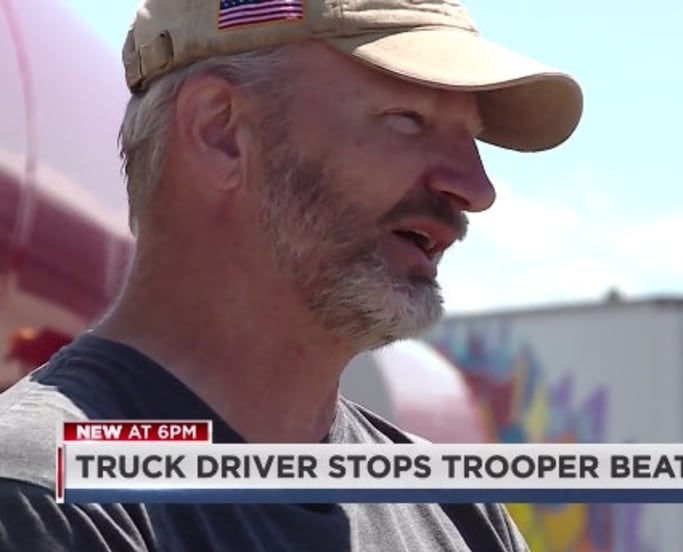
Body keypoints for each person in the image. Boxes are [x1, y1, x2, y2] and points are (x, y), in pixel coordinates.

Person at [0, 0, 582, 550]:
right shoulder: (43, 496)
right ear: (220, 131)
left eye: (470, 137)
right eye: (408, 119)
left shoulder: (460, 514)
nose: (476, 189)